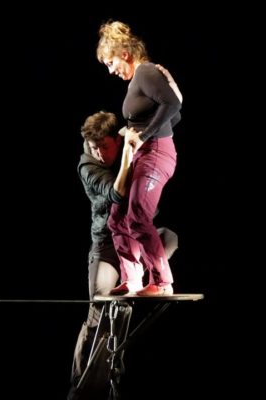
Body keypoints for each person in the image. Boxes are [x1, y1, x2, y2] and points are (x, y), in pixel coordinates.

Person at [68, 110, 179, 400]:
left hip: (133, 244)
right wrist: (129, 155)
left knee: (169, 237)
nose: (99, 153)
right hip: (106, 247)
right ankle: (81, 388)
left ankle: (114, 382)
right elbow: (116, 194)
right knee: (101, 314)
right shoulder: (87, 165)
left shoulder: (130, 149)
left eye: (104, 146)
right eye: (94, 147)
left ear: (116, 141)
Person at [96, 20, 183, 296]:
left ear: (124, 53)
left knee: (137, 216)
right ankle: (133, 279)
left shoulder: (145, 71)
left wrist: (144, 135)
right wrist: (140, 134)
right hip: (144, 154)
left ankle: (162, 282)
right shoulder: (138, 79)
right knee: (117, 218)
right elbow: (173, 116)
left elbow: (174, 104)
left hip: (156, 153)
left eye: (111, 63)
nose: (111, 71)